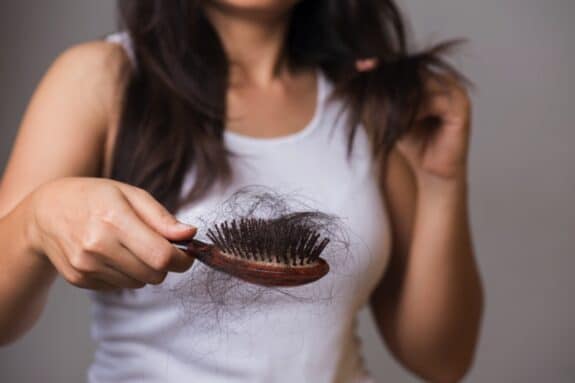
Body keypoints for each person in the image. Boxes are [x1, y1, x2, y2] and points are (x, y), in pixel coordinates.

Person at [0, 1, 484, 382]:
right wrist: (34, 224)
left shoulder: (367, 103)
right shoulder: (103, 77)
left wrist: (441, 181)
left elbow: (441, 361)